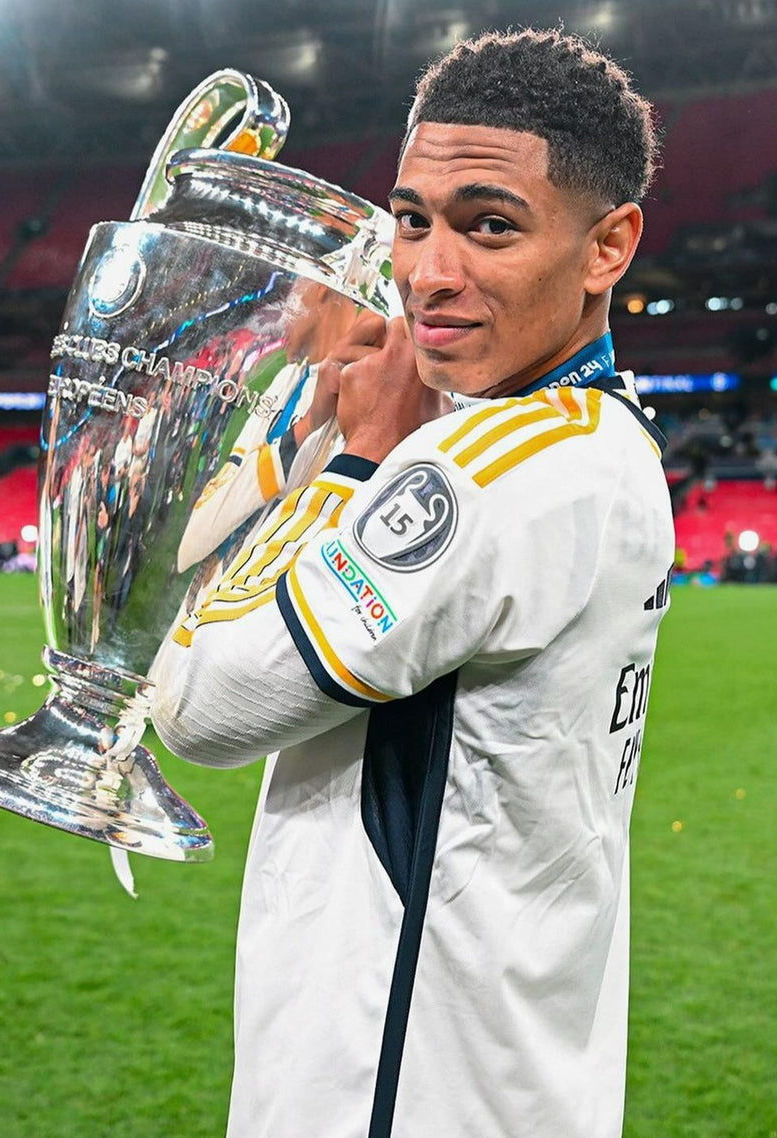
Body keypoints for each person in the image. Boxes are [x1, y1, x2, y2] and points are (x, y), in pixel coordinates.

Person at [151, 27, 673, 1138]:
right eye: (412, 219)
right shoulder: (587, 442)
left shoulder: (496, 471)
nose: (429, 273)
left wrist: (350, 456)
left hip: (393, 1088)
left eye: (491, 226)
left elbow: (201, 706)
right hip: (497, 1066)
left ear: (607, 246)